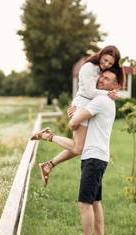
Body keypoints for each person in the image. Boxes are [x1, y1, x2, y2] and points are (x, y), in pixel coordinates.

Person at [30, 45, 125, 186]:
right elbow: (89, 92)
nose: (106, 65)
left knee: (82, 146)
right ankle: (46, 136)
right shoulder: (88, 67)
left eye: (110, 64)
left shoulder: (101, 70)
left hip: (88, 106)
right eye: (105, 60)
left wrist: (112, 93)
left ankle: (48, 165)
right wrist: (108, 94)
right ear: (101, 54)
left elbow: (103, 90)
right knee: (79, 148)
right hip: (82, 105)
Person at [67, 69, 117, 235]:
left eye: (107, 79)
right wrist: (76, 112)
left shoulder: (100, 100)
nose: (102, 80)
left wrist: (73, 114)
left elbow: (73, 124)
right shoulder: (107, 101)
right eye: (102, 76)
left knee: (84, 203)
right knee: (95, 202)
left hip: (94, 157)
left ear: (114, 86)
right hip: (98, 156)